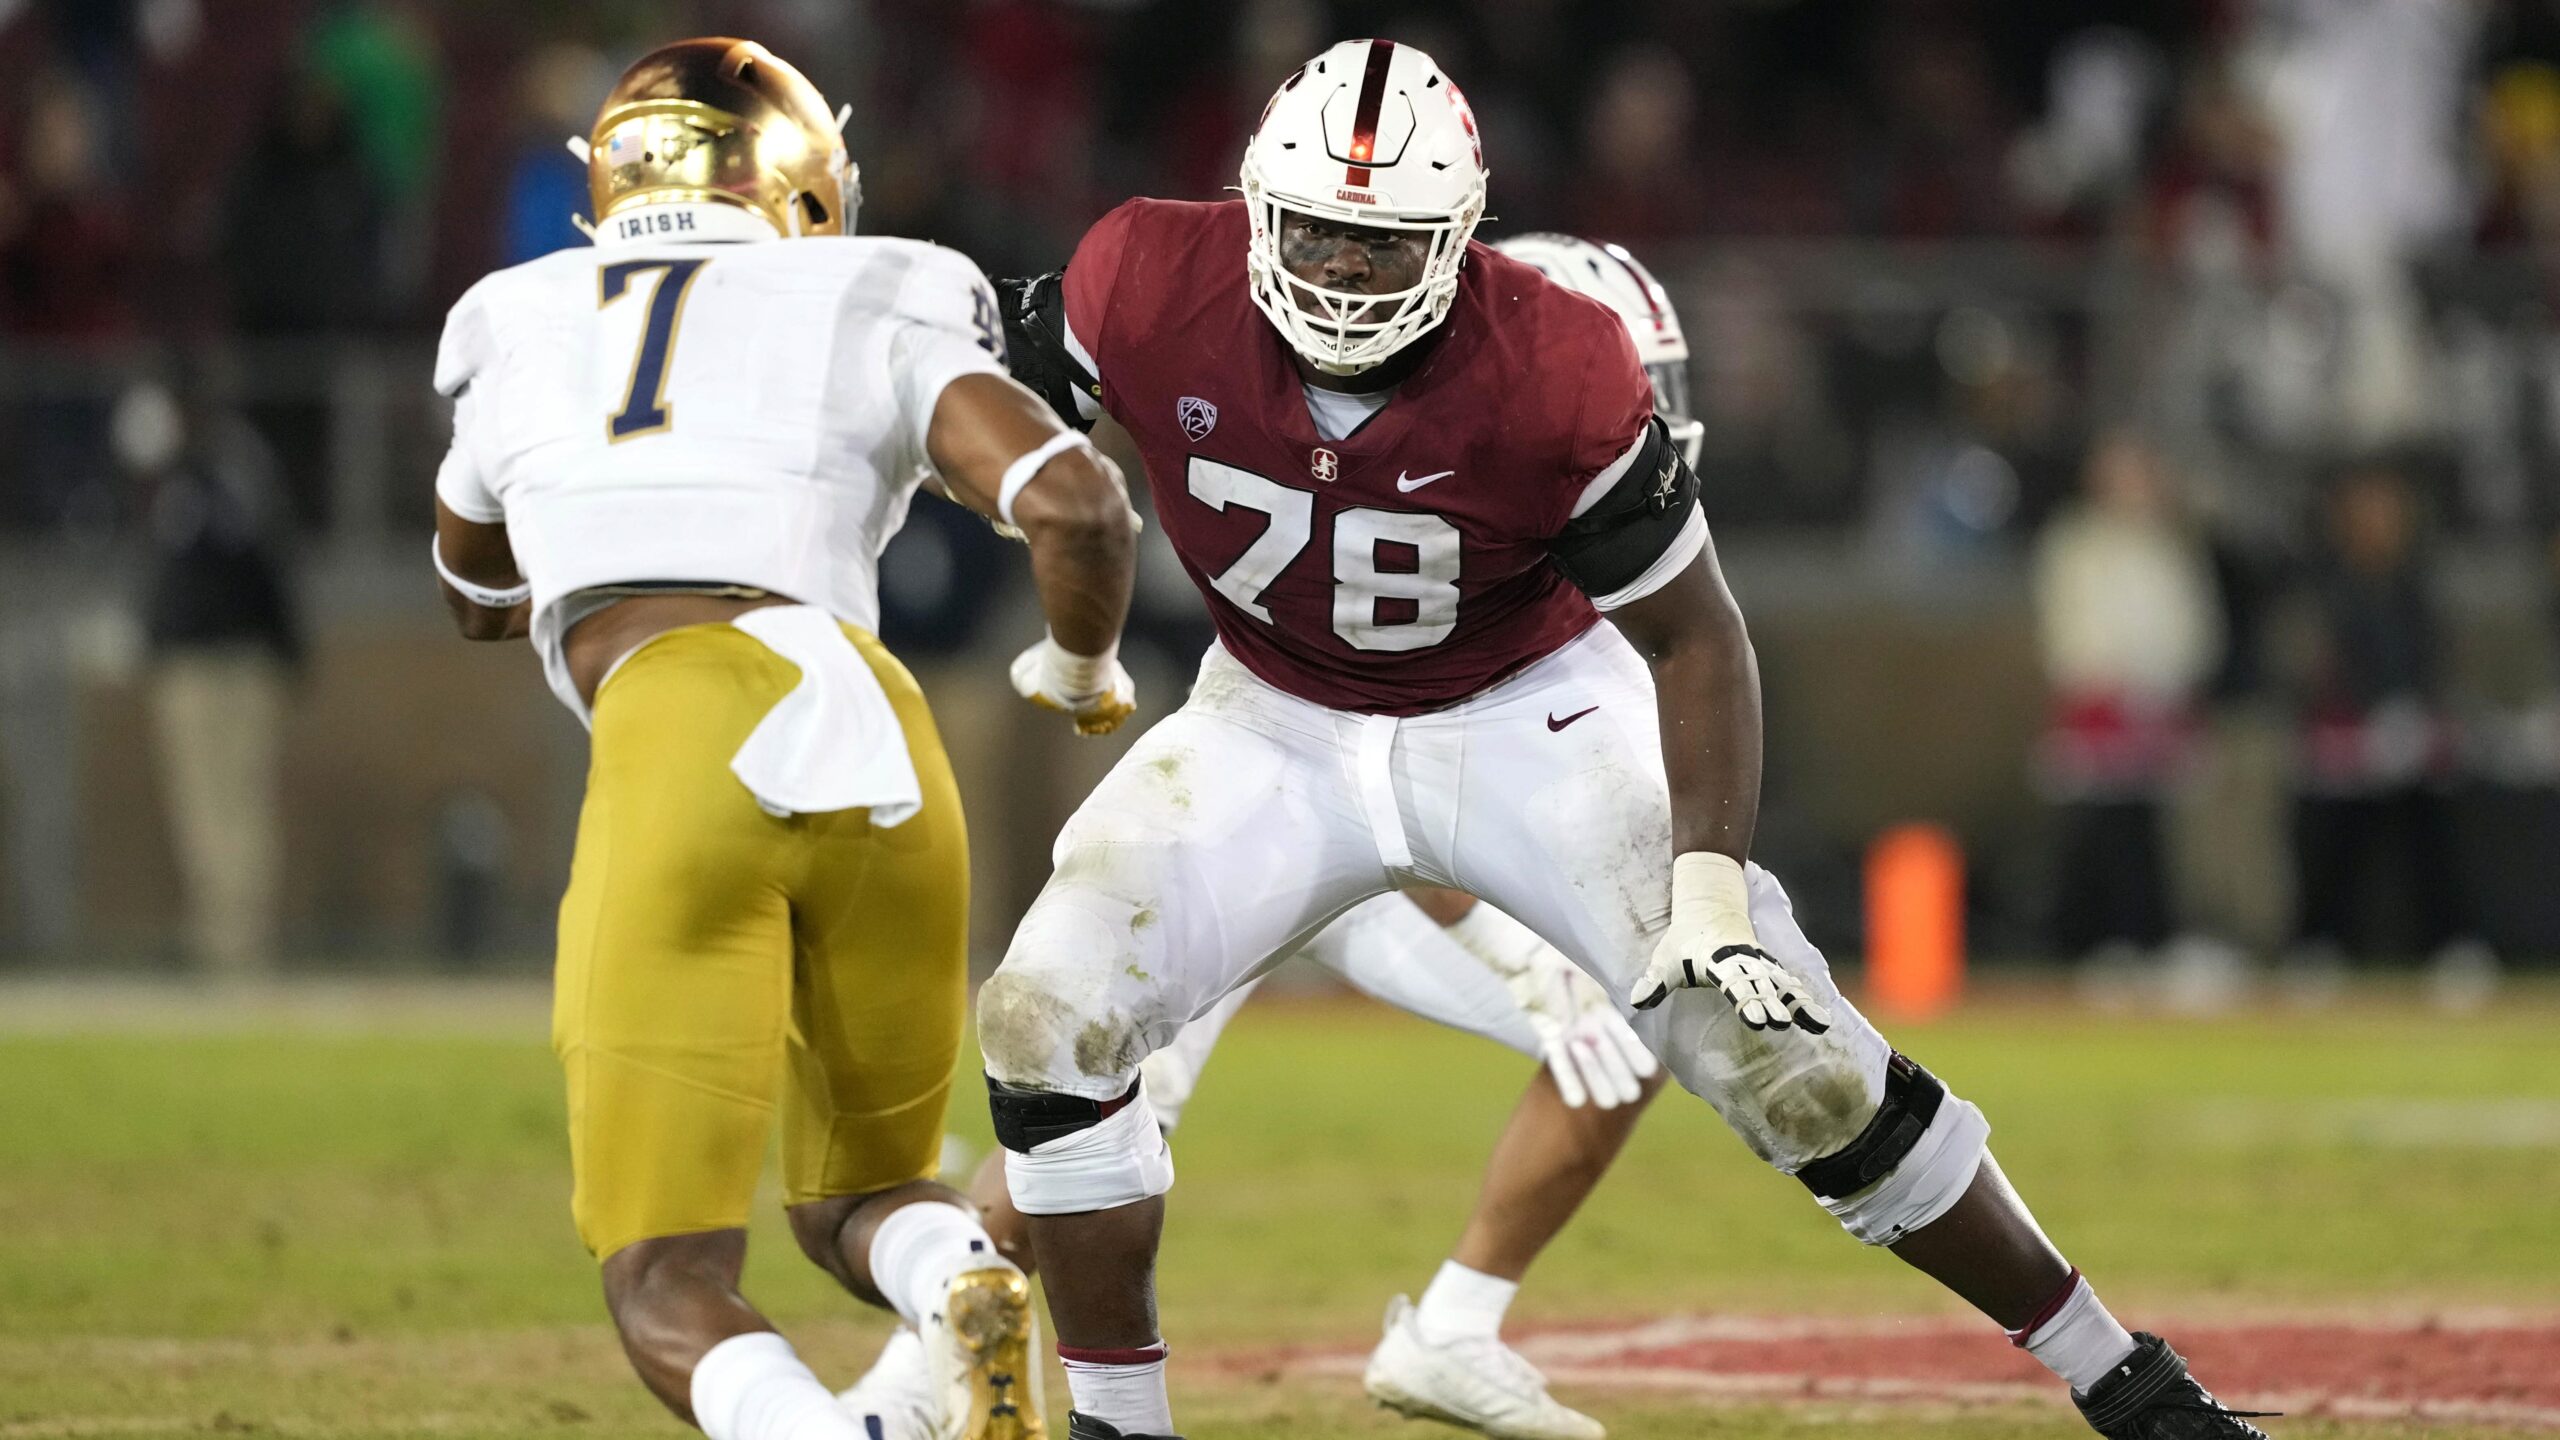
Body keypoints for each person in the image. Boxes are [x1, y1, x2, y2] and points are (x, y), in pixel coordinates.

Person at [974, 40, 2277, 1440]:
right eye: (1319, 233)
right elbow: (972, 383)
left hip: (1517, 713)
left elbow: (1698, 636)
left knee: (1793, 1061)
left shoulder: (1556, 363)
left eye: (1383, 241)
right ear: (1253, 209)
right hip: (1271, 715)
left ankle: (2116, 1373)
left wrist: (1710, 885)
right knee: (1045, 1016)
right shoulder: (1147, 277)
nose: (1344, 270)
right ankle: (1120, 1425)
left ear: (1458, 240)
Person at [850, 232, 1710, 1440]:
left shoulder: (1576, 537)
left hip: (1355, 849)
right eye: (1633, 378)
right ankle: (907, 1382)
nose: (1645, 416)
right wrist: (1521, 952)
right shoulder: (1462, 472)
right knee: (1098, 1092)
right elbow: (1384, 778)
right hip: (1290, 836)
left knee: (1649, 999)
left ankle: (1452, 1331)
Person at [427, 38, 1139, 1440]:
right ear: (810, 186)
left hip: (681, 728)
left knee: (662, 1282)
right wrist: (1083, 667)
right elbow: (1077, 506)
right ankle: (954, 1288)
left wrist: (586, 524)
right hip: (878, 728)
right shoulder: (877, 287)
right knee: (863, 1198)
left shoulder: (517, 315)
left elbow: (469, 589)